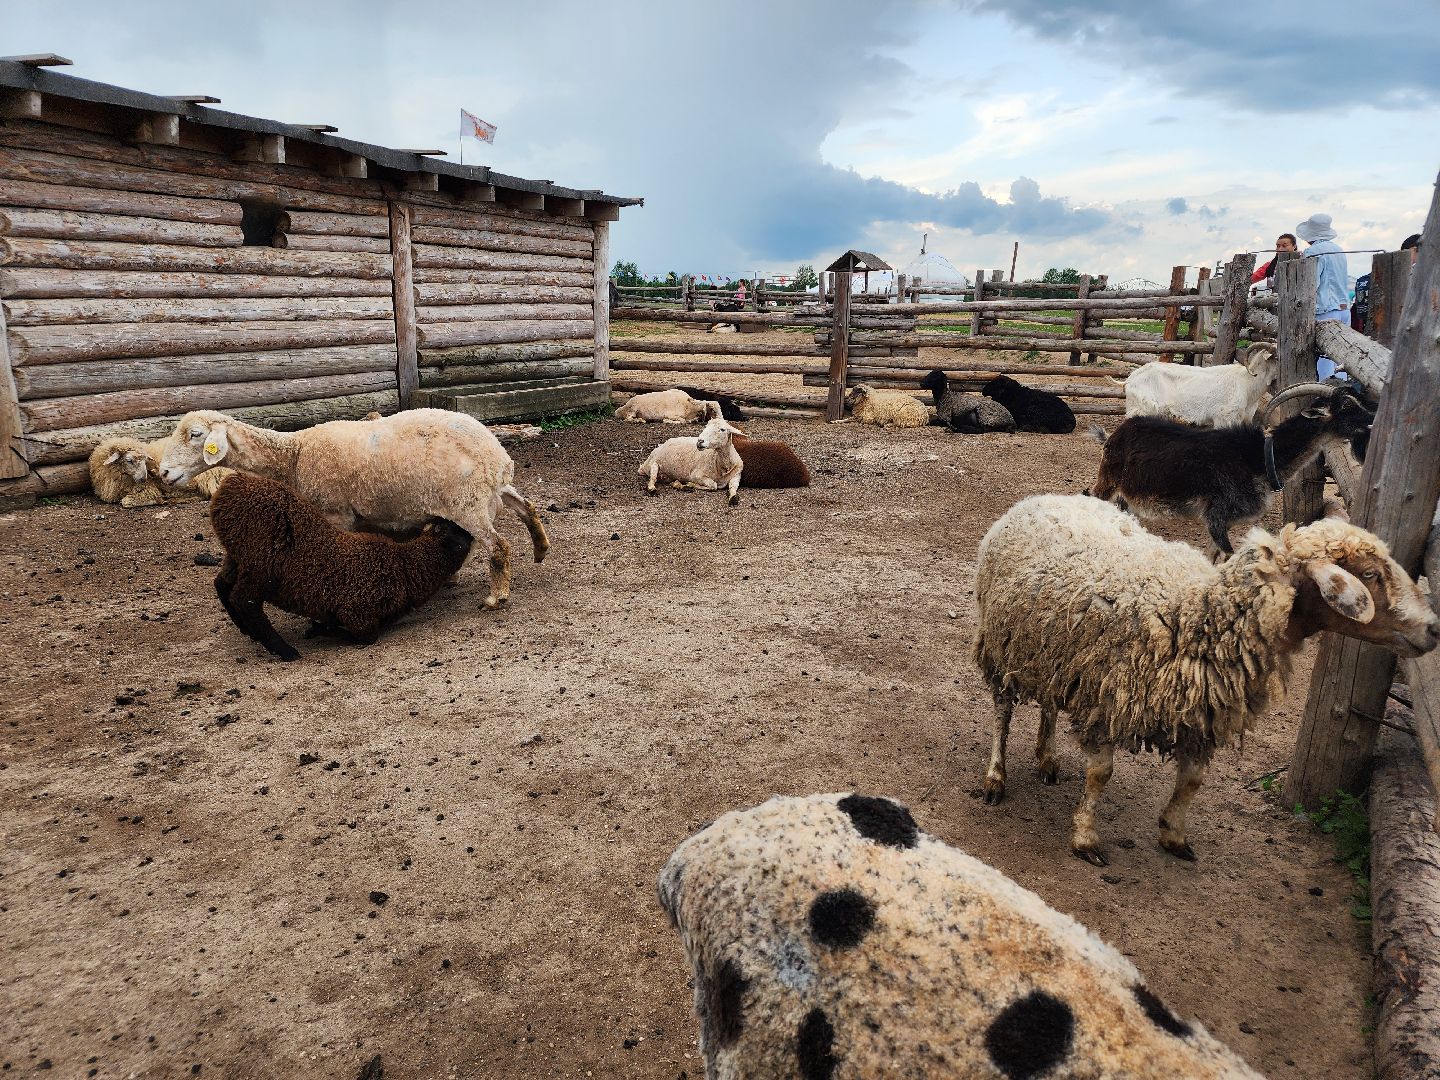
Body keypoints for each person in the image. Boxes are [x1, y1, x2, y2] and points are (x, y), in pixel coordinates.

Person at [1297, 214, 1349, 379]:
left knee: (1325, 360)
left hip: (1324, 309)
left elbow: (1311, 283)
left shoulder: (1312, 252)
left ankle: (1326, 397)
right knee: (1341, 358)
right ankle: (1344, 396)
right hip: (1343, 307)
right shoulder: (1339, 249)